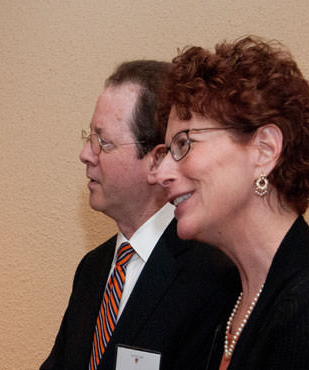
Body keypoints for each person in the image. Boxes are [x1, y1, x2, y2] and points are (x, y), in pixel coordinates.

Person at [153, 36, 309, 370]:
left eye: (184, 144)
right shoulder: (230, 299)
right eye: (166, 151)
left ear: (264, 150)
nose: (161, 173)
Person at [41, 60, 239, 370]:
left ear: (157, 160)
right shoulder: (92, 268)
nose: (85, 154)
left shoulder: (211, 274)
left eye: (103, 143)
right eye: (88, 137)